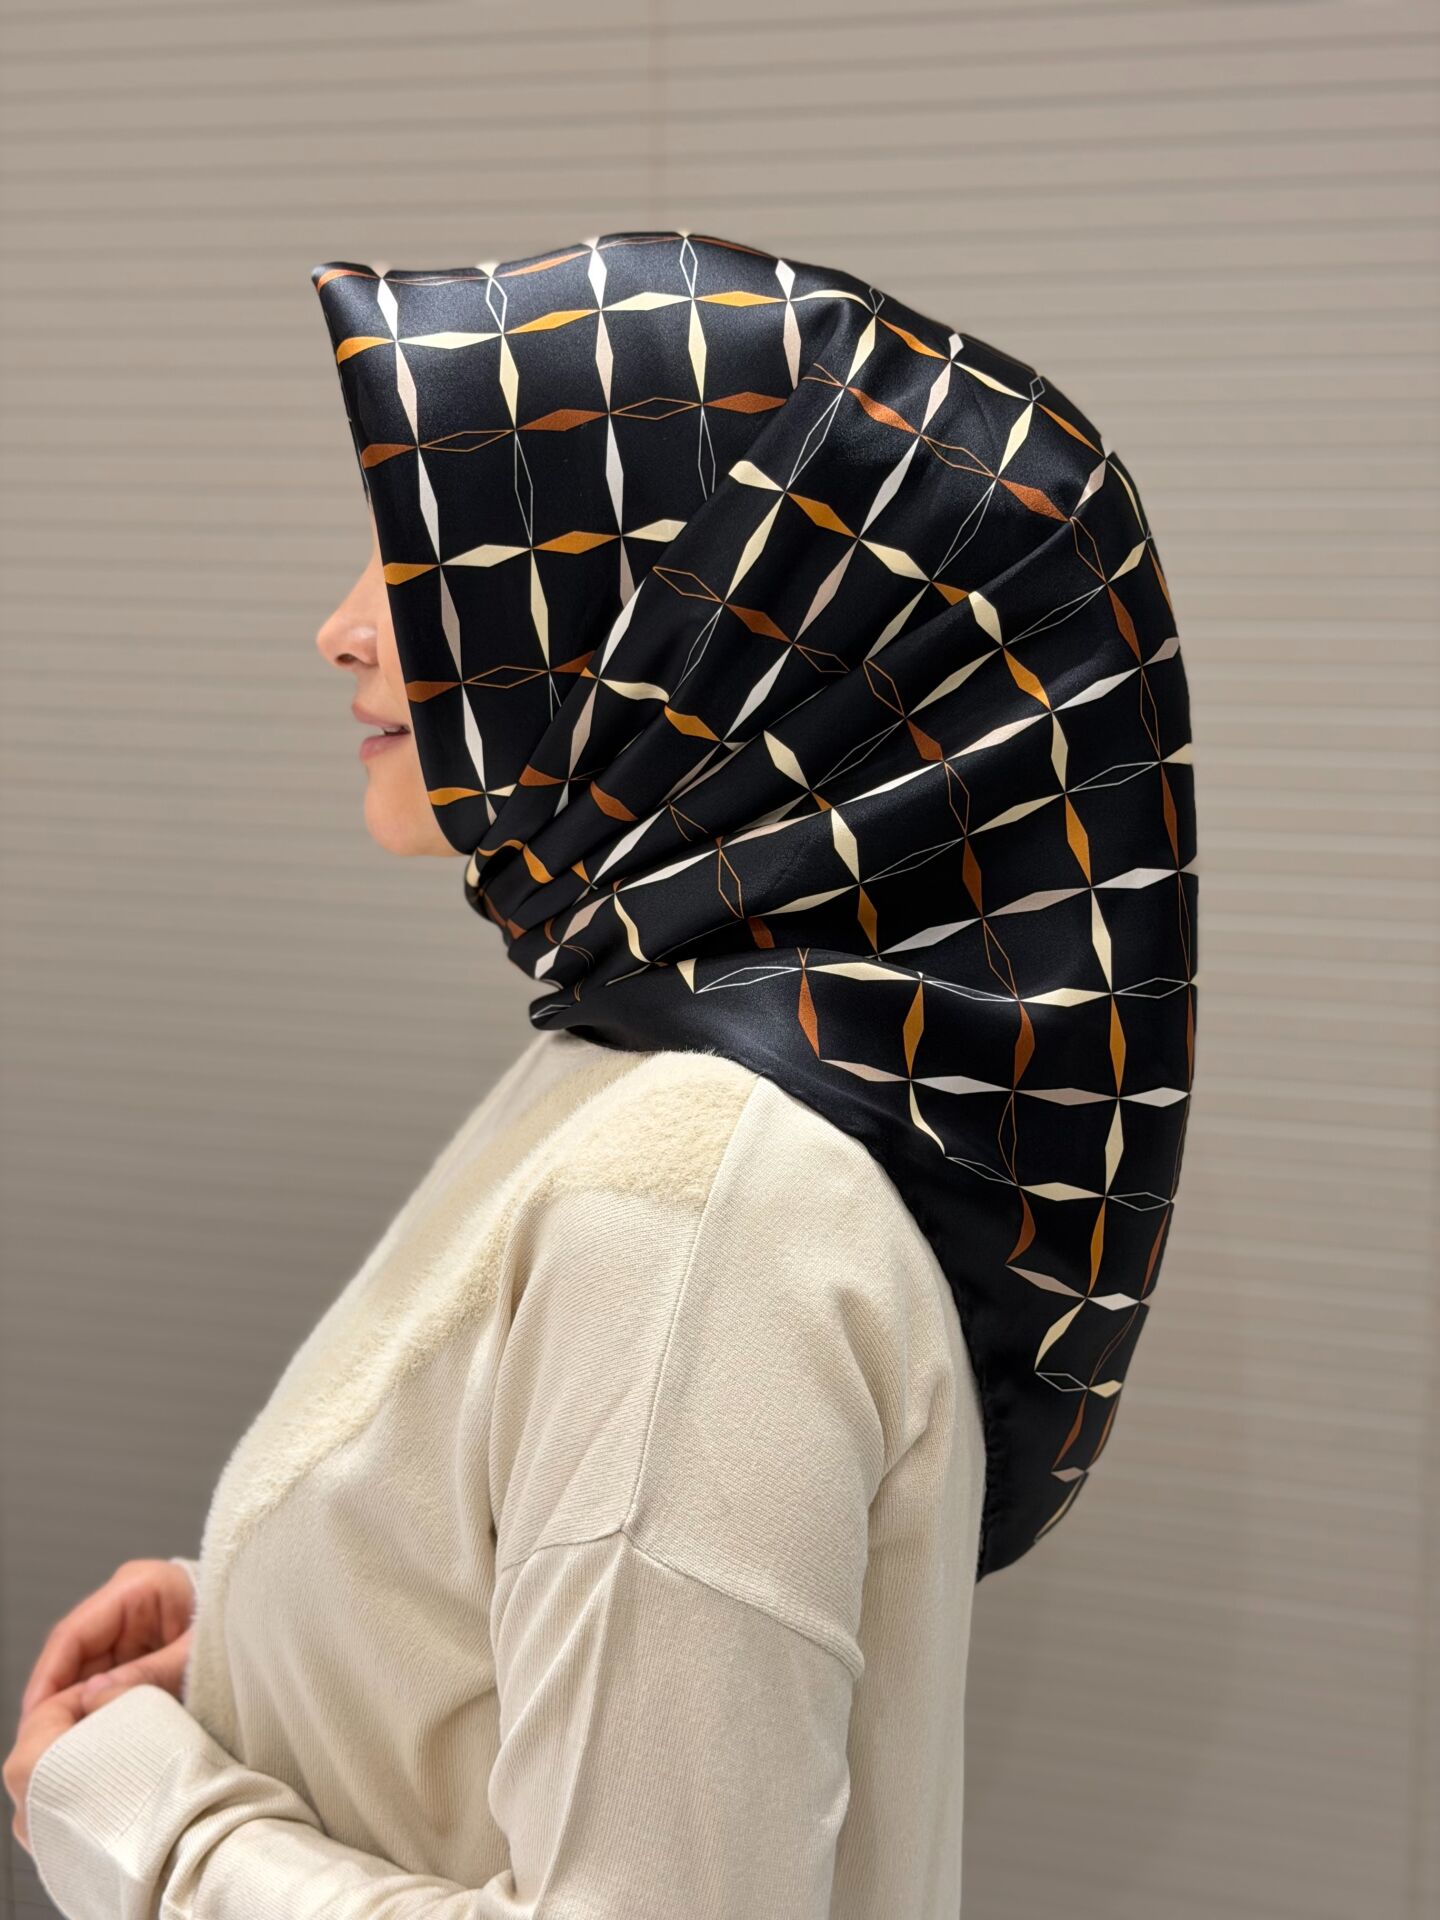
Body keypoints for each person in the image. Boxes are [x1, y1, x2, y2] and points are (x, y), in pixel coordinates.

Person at [7, 228, 1196, 1918]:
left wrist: (138, 1818)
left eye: (426, 565)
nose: (341, 631)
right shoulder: (653, 1065)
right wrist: (294, 1629)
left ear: (710, 641)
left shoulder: (699, 1209)